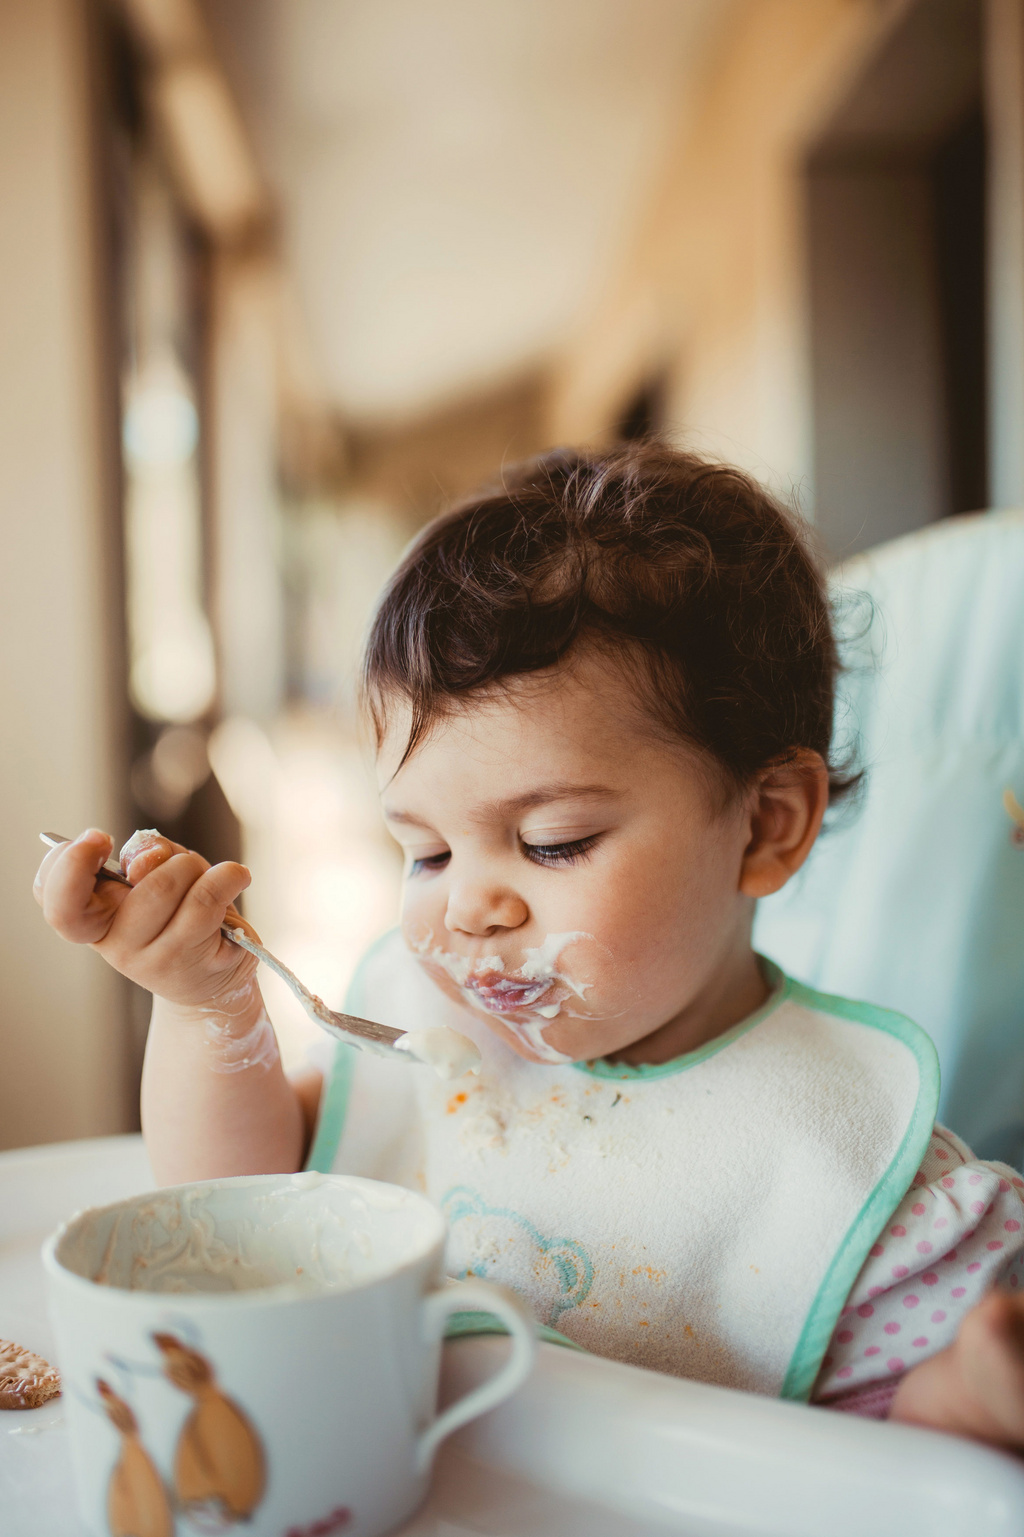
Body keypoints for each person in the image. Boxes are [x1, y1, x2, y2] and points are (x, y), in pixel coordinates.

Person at [35, 444, 1024, 1447]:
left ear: (767, 824)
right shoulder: (433, 1057)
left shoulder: (847, 1174)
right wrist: (206, 1002)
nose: (467, 908)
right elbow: (239, 1208)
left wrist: (970, 1399)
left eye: (553, 842)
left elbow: (901, 1452)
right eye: (423, 852)